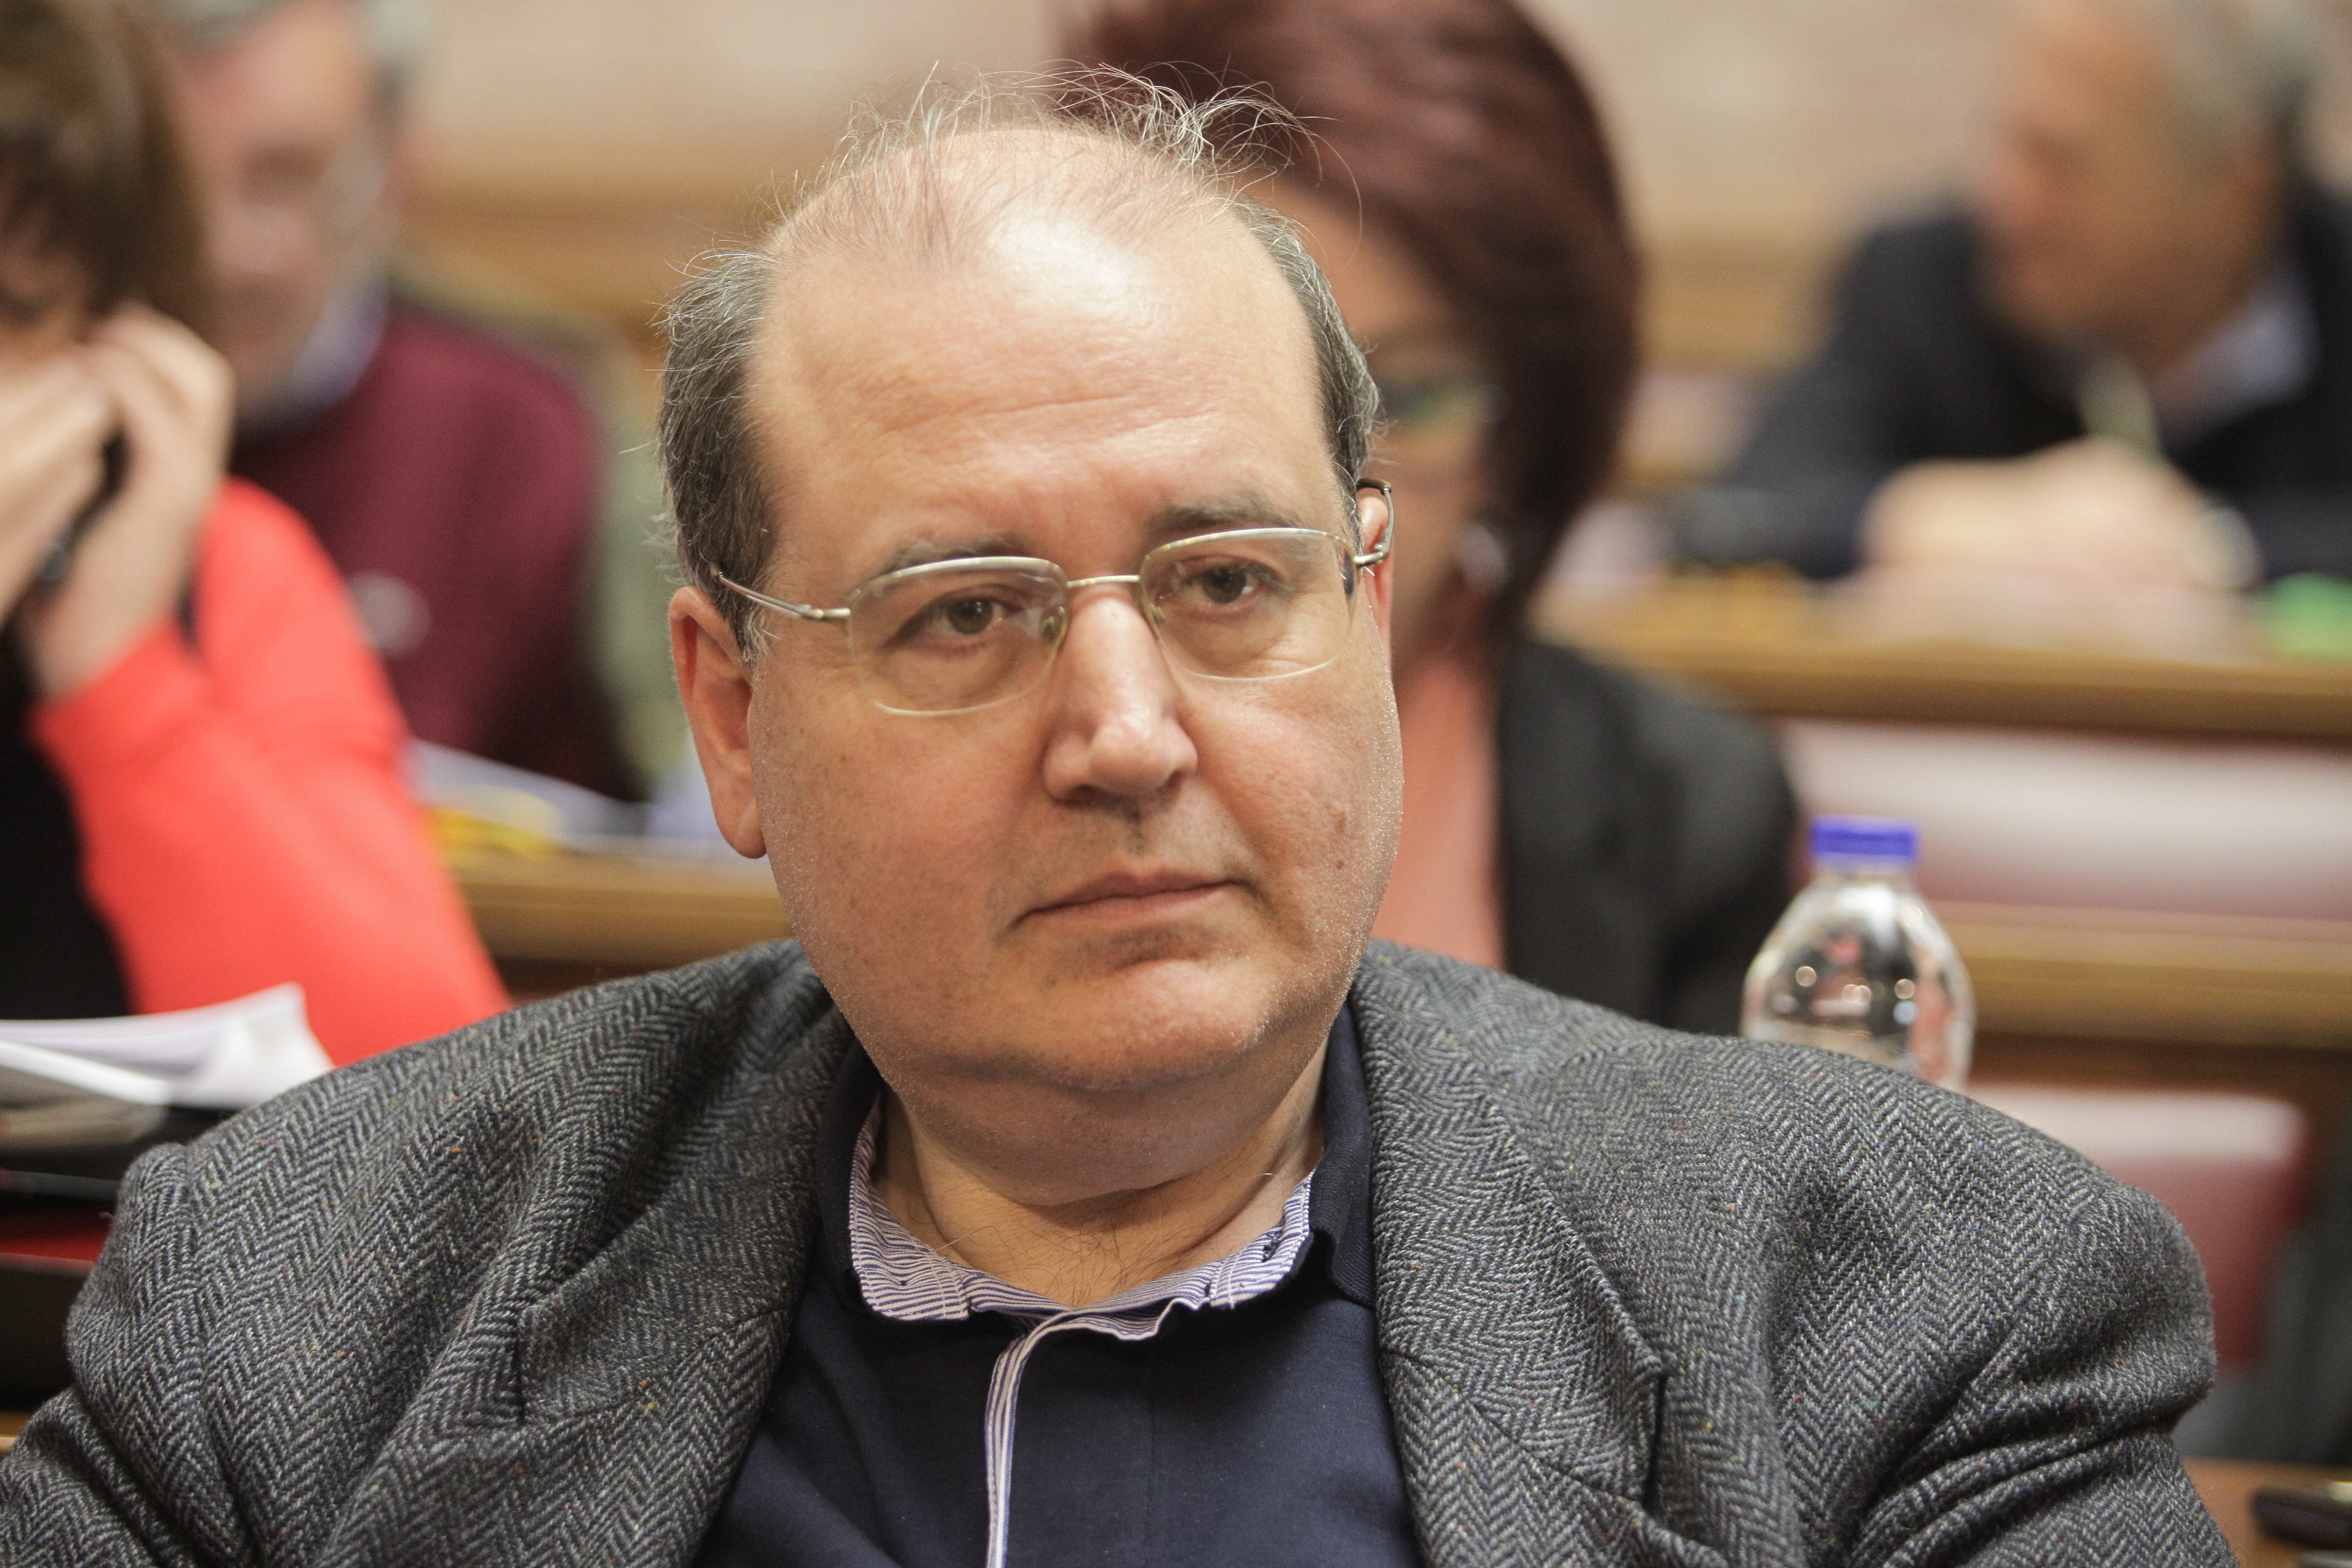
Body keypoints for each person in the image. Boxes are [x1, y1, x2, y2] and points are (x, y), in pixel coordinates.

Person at [0, 77, 2229, 1563]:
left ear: (1368, 614)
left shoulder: (1890, 1317)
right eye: (964, 616)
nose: (1127, 732)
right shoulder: (308, 1312)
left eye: (1227, 584)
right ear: (734, 714)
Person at [1069, 0, 1796, 1034]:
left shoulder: (1691, 808)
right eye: (1259, 382)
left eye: (1411, 397)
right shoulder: (970, 744)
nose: (1330, 486)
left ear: (1520, 439)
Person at [0, 0, 502, 1058]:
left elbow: (430, 1076)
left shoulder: (223, 563)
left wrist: (118, 674)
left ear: (118, 345)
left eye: (17, 308)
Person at [135, 0, 683, 799]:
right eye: (168, 188)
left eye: (285, 178)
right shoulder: (48, 409)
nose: (221, 251)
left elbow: (671, 805)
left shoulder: (528, 433)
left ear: (397, 172)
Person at [1680, 0, 2352, 591]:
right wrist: (1929, 518)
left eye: (2059, 160)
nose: (2003, 196)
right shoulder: (1922, 278)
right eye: (2004, 137)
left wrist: (2218, 548)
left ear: (2232, 190)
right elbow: (1734, 515)